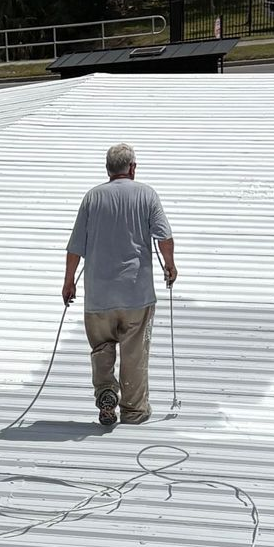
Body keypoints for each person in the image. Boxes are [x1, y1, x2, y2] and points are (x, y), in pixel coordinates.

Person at [62, 142, 176, 428]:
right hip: (136, 294)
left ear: (108, 170)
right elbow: (164, 237)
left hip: (99, 295)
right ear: (133, 168)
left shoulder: (92, 198)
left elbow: (75, 247)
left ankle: (106, 395)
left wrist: (68, 283)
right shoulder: (146, 194)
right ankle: (134, 411)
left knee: (102, 348)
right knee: (134, 353)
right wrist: (171, 266)